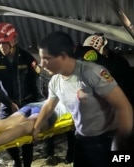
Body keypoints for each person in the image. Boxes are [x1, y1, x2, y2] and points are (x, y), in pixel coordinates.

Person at [33, 32, 133, 167]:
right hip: (82, 140)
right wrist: (37, 126)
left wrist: (121, 143)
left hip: (107, 140)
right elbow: (49, 105)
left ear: (62, 56)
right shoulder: (55, 81)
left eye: (46, 59)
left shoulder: (92, 73)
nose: (42, 64)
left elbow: (123, 106)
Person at [0, 22, 45, 167]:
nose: (1, 47)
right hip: (7, 104)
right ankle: (16, 161)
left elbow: (36, 83)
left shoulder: (27, 58)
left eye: (4, 43)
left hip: (28, 102)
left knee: (27, 139)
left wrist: (39, 106)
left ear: (13, 40)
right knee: (5, 136)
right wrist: (9, 103)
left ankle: (26, 164)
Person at [81, 33, 134, 104]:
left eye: (105, 48)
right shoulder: (103, 66)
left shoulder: (113, 61)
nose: (105, 52)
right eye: (103, 50)